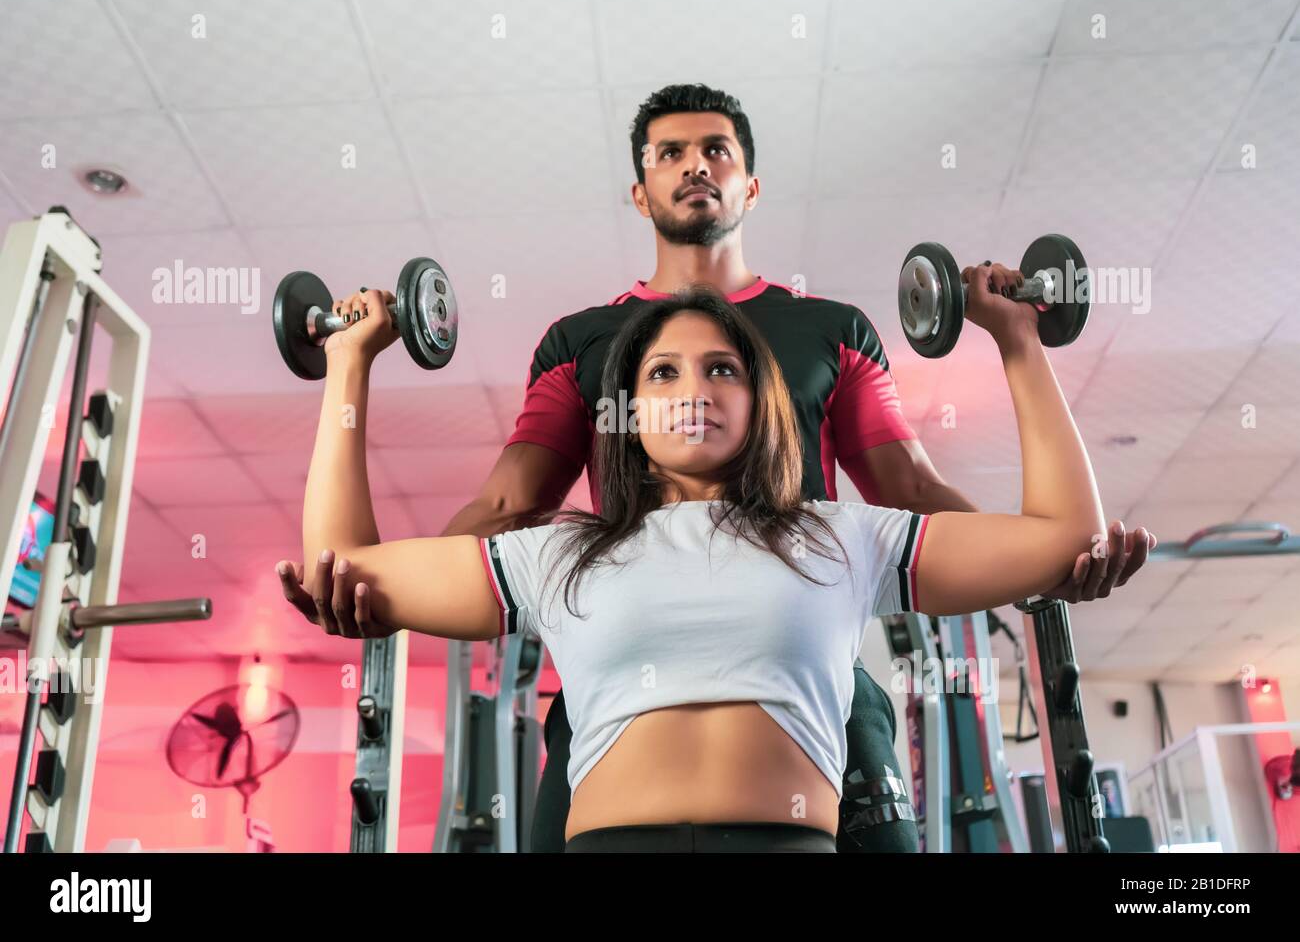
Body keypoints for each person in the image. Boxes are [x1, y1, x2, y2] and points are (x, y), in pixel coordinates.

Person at [277, 83, 1154, 853]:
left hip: (809, 645)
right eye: (671, 153)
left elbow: (915, 494)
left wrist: (1039, 567)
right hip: (618, 656)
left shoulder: (830, 332)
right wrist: (383, 590)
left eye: (716, 151)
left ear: (750, 183)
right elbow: (510, 502)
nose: (695, 165)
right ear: (640, 186)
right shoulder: (583, 344)